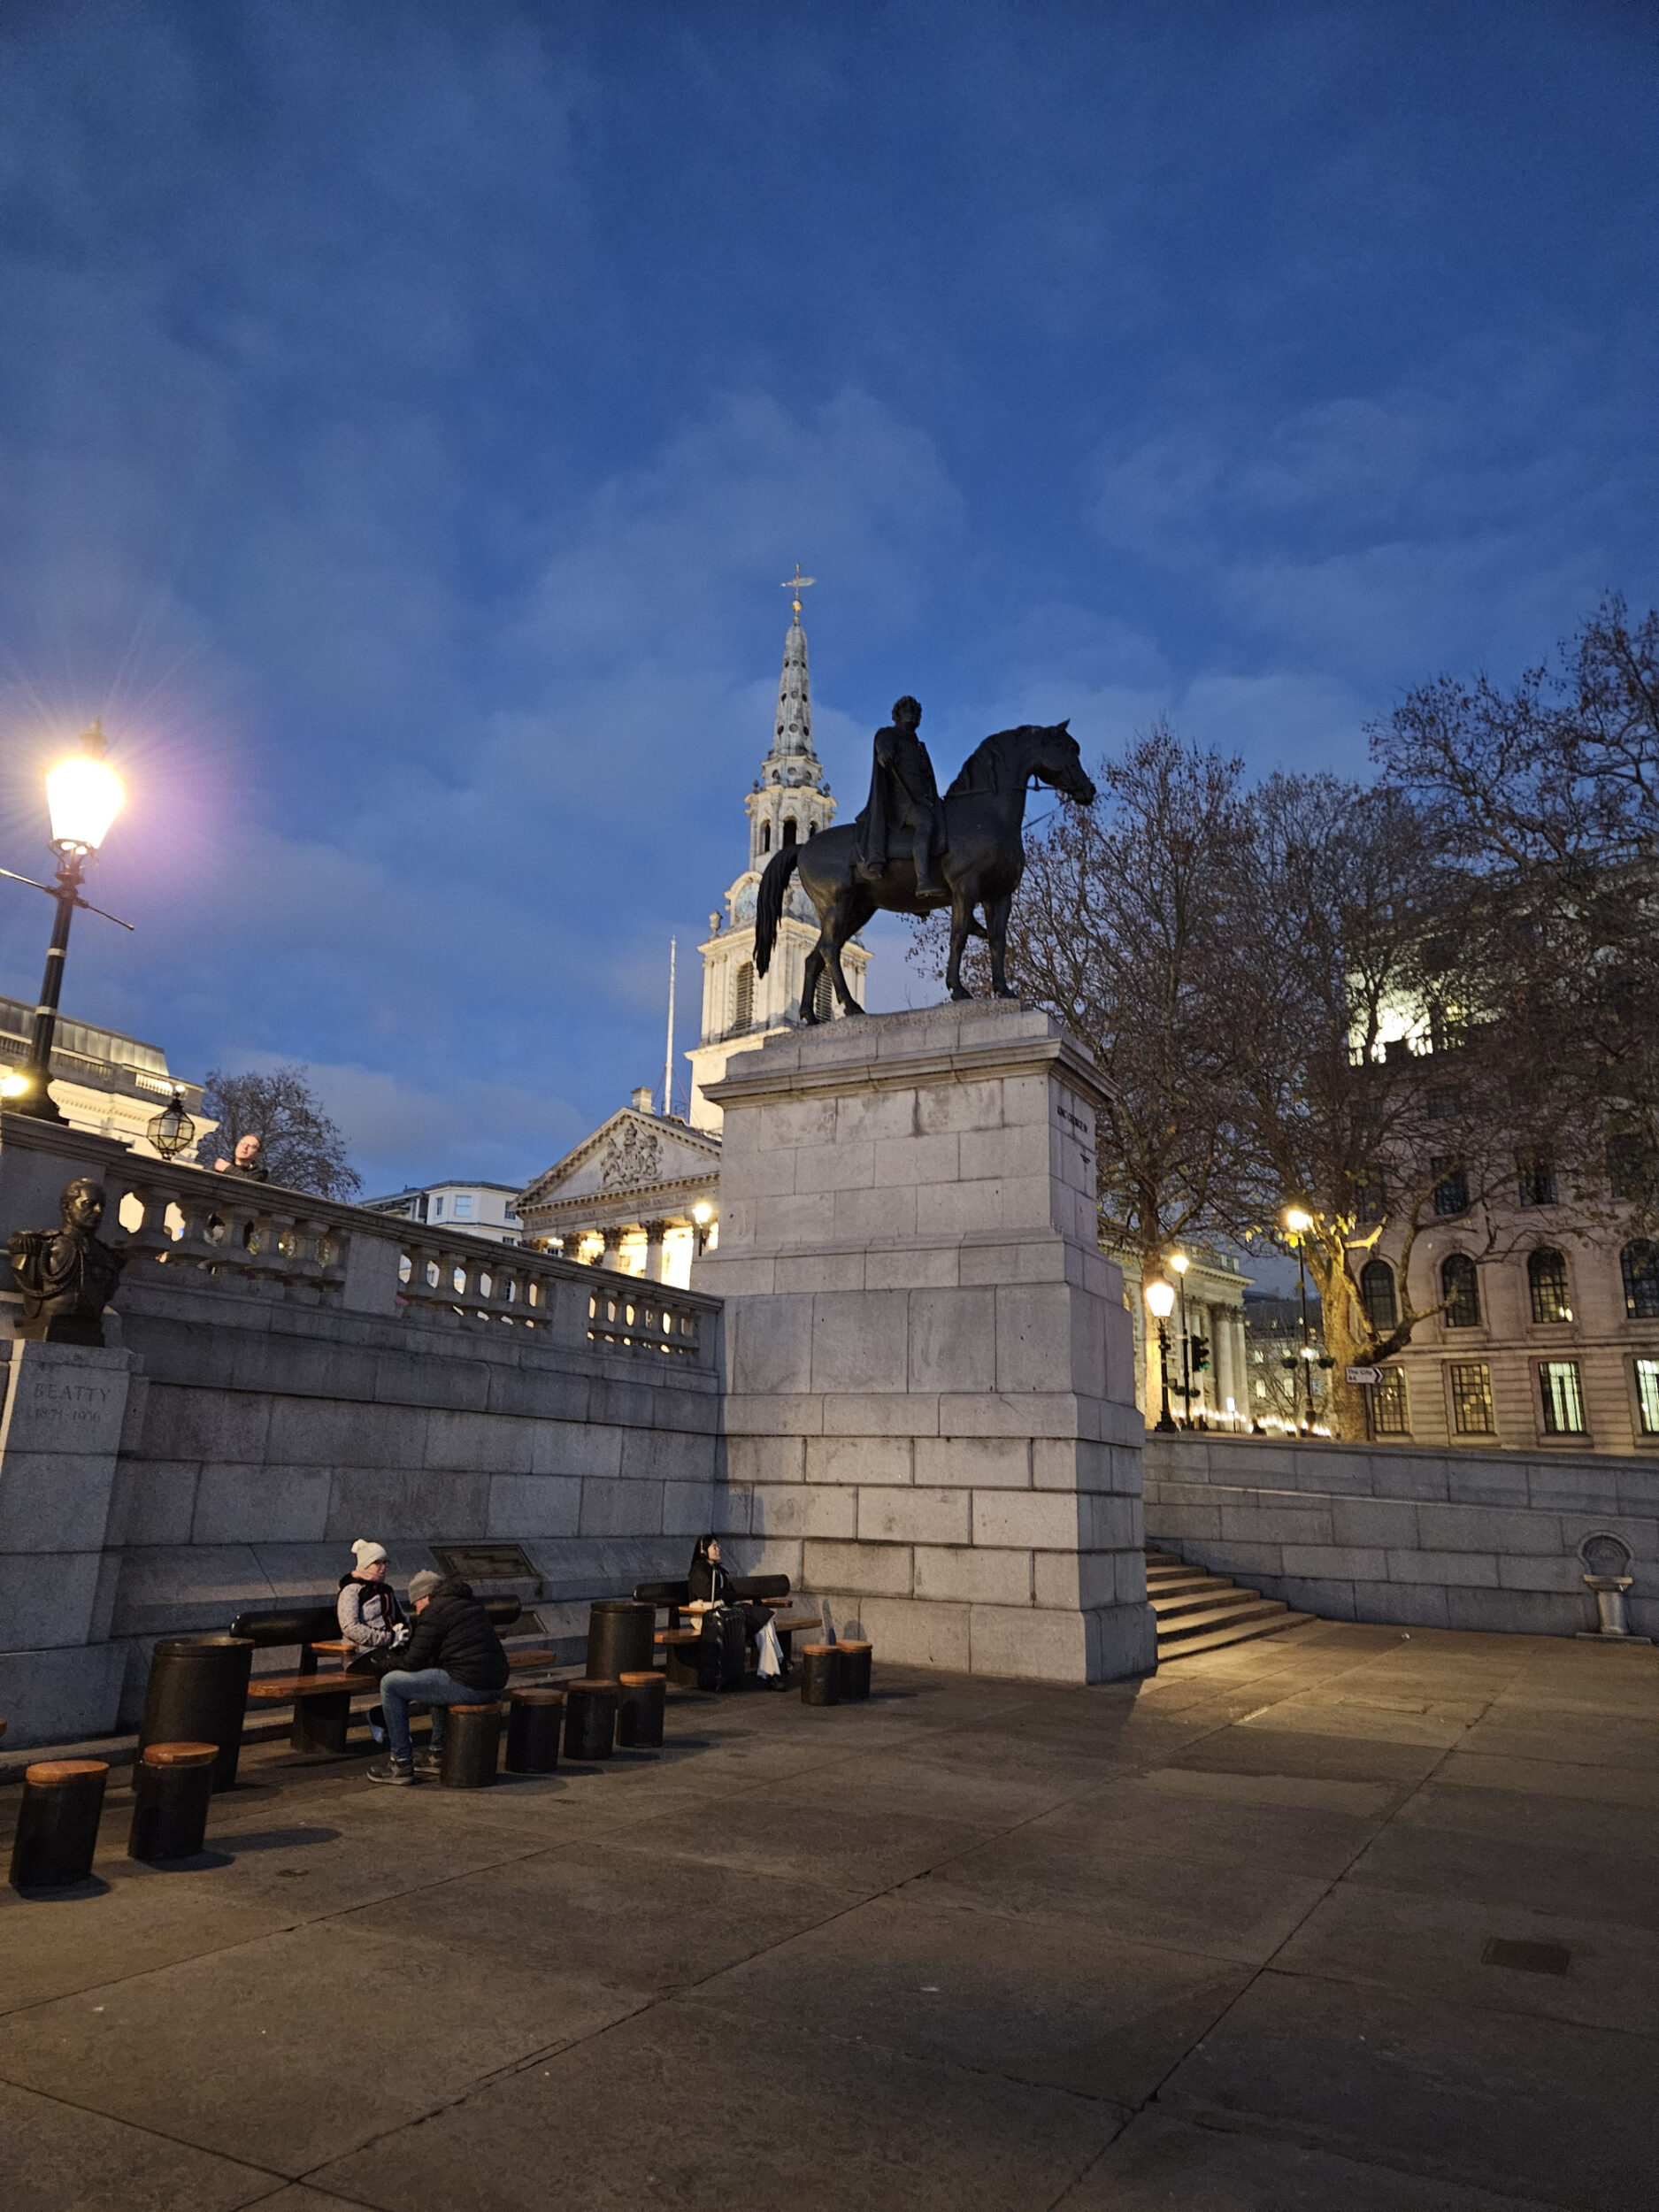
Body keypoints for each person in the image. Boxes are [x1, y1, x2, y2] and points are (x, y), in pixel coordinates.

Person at [367, 1570, 510, 1784]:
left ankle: (401, 1763)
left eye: (416, 1604)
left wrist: (382, 1666)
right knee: (436, 1678)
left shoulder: (436, 1611)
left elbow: (412, 1662)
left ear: (424, 1597)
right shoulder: (468, 1603)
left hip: (470, 1685)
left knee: (391, 1684)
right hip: (494, 1681)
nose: (417, 1611)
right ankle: (437, 1754)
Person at [851, 695, 946, 898]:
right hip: (902, 805)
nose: (912, 713)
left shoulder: (919, 746)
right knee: (925, 823)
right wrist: (885, 753)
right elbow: (882, 751)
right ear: (897, 715)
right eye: (907, 710)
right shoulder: (887, 735)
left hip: (923, 801)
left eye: (915, 711)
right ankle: (923, 881)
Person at [686, 1534, 784, 1689]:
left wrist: (725, 1595)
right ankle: (775, 1668)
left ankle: (772, 1673)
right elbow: (707, 1593)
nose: (719, 1549)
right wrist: (725, 1596)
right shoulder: (700, 1570)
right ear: (704, 1551)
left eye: (718, 1546)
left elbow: (728, 1593)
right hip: (708, 1618)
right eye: (714, 1547)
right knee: (763, 1620)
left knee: (765, 1622)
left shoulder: (716, 1570)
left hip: (724, 1612)